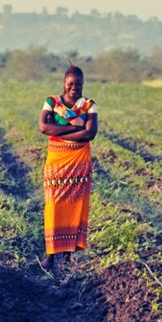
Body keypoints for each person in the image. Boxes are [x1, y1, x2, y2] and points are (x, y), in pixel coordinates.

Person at [38, 65, 98, 273]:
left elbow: (90, 133)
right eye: (70, 84)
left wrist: (61, 132)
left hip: (78, 162)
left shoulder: (89, 105)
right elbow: (44, 127)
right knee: (53, 204)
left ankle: (67, 256)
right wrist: (75, 128)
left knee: (74, 205)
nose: (74, 88)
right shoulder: (52, 102)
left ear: (83, 84)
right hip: (57, 160)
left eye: (78, 84)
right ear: (64, 83)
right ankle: (51, 255)